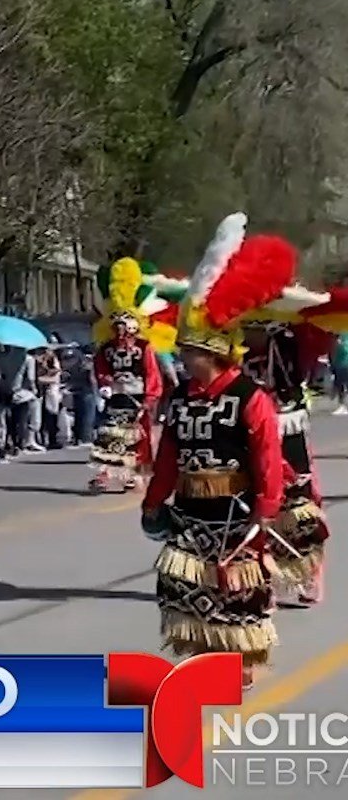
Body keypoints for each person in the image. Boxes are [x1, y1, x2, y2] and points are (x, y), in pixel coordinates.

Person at [141, 213, 293, 690]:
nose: (182, 359)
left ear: (212, 354)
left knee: (236, 587)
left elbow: (268, 454)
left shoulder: (251, 397)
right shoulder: (184, 396)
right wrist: (153, 500)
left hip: (236, 509)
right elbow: (169, 451)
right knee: (186, 587)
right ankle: (201, 656)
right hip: (189, 508)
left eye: (189, 352)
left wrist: (267, 508)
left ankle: (240, 664)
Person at [249, 323, 329, 606]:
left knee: (298, 503)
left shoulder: (290, 341)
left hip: (287, 427)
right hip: (252, 431)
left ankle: (308, 571)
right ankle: (262, 578)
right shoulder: (234, 344)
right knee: (256, 505)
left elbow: (318, 345)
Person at [91, 258, 167, 494]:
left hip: (137, 397)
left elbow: (152, 373)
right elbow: (101, 367)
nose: (121, 328)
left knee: (135, 438)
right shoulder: (106, 348)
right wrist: (104, 383)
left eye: (125, 323)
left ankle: (132, 475)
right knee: (110, 433)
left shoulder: (144, 348)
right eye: (117, 323)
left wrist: (150, 398)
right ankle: (103, 474)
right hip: (116, 395)